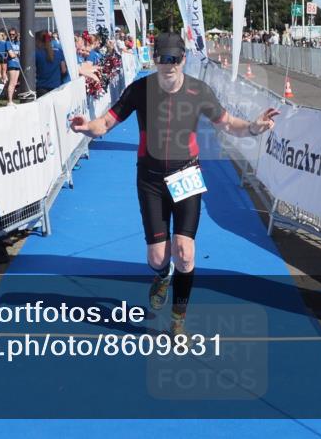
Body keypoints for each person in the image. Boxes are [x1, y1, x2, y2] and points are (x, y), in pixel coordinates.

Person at [69, 32, 280, 336]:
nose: (167, 65)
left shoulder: (199, 91)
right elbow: (104, 124)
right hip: (150, 180)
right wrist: (86, 128)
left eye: (173, 59)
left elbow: (229, 124)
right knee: (157, 257)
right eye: (161, 59)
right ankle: (161, 275)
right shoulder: (139, 90)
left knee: (185, 251)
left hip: (186, 176)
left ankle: (178, 317)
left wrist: (254, 128)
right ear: (154, 59)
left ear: (182, 60)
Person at [34, 31, 66, 97]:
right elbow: (64, 70)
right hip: (56, 87)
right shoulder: (59, 52)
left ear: (37, 41)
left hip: (41, 87)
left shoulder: (36, 53)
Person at [4, 28, 22, 104]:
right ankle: (10, 101)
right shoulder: (8, 43)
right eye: (10, 34)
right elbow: (11, 55)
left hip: (17, 64)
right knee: (12, 83)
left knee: (14, 83)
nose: (12, 35)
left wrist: (16, 54)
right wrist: (17, 54)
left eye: (13, 34)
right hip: (11, 64)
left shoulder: (18, 43)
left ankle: (8, 97)